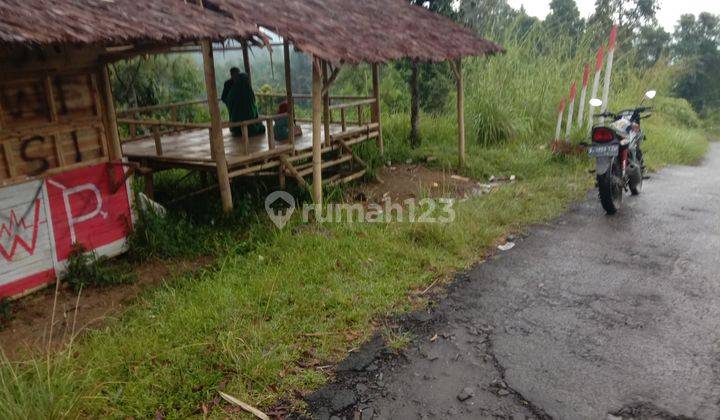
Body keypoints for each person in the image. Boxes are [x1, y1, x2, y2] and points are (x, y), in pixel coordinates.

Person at [223, 72, 265, 137]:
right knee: (261, 127)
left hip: (236, 126)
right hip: (250, 124)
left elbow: (227, 101)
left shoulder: (233, 92)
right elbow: (253, 106)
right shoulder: (248, 91)